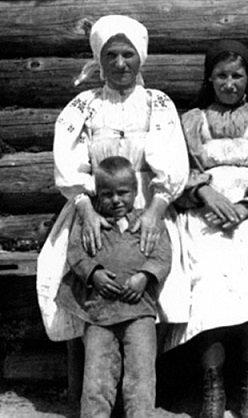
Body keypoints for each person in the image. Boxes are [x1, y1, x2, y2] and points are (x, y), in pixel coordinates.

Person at [36, 15, 189, 342]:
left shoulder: (157, 103)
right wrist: (86, 210)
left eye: (128, 54)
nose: (120, 64)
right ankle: (86, 356)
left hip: (150, 201)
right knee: (69, 266)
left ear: (140, 57)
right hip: (95, 203)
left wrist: (155, 211)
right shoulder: (84, 105)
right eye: (111, 55)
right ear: (99, 60)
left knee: (161, 268)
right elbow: (69, 159)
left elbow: (172, 159)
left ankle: (147, 358)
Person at [160, 40, 248, 418]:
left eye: (237, 76)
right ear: (209, 79)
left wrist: (245, 207)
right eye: (221, 76)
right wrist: (204, 194)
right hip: (203, 215)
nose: (229, 83)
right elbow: (176, 173)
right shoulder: (190, 123)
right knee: (208, 283)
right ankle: (212, 388)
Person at [55, 156, 171, 417]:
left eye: (123, 193)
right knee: (97, 377)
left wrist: (144, 276)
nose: (116, 200)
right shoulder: (89, 223)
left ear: (136, 191)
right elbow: (76, 252)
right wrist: (93, 273)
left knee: (141, 375)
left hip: (139, 312)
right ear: (97, 193)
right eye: (107, 194)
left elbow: (163, 255)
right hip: (99, 313)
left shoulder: (148, 223)